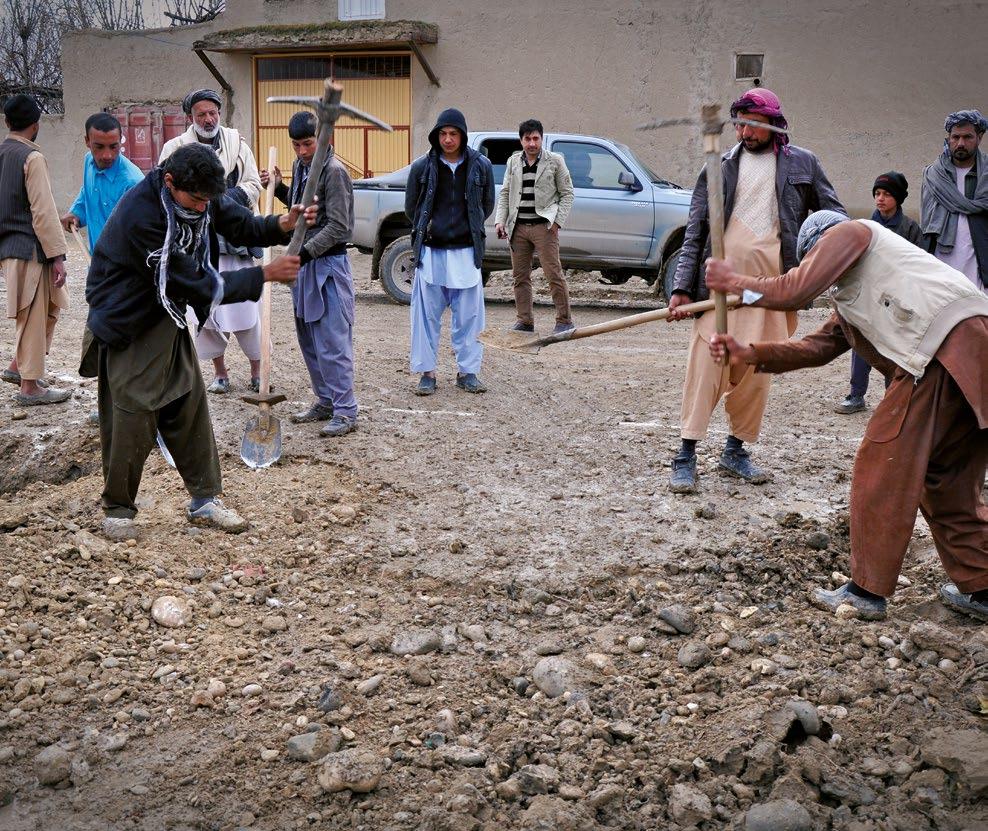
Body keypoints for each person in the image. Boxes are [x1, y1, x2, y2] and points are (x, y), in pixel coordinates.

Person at [705, 210, 988, 622]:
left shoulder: (852, 232)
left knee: (881, 465)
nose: (820, 271)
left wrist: (735, 282)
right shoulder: (854, 298)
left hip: (940, 352)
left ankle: (865, 592)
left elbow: (793, 290)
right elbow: (815, 348)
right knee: (947, 482)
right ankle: (984, 586)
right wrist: (751, 353)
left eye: (815, 261)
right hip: (970, 357)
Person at [82, 144, 310, 541]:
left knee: (187, 404)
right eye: (197, 200)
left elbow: (240, 224)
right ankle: (118, 510)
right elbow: (193, 281)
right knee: (132, 416)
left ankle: (205, 500)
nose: (204, 208)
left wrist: (281, 225)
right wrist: (264, 275)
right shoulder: (143, 216)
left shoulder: (200, 193)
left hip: (166, 316)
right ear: (170, 183)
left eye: (209, 200)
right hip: (127, 322)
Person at [666, 88, 844, 493]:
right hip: (717, 292)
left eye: (751, 123)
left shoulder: (804, 163)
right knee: (707, 365)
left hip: (772, 292)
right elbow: (695, 231)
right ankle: (685, 454)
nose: (743, 131)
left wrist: (823, 266)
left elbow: (835, 217)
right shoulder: (720, 165)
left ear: (772, 123)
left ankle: (735, 450)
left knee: (756, 371)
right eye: (739, 123)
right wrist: (680, 288)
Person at [158, 88, 265, 394]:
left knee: (246, 307)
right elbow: (165, 189)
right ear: (190, 117)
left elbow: (254, 183)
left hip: (235, 237)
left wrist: (222, 199)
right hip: (197, 240)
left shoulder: (236, 142)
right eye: (201, 114)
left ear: (219, 113)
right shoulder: (175, 148)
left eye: (212, 113)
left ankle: (258, 370)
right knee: (206, 311)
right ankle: (221, 373)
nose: (208, 119)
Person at [262, 110, 359, 438]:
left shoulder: (334, 172)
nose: (302, 151)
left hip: (328, 266)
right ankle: (326, 400)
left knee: (332, 340)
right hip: (303, 268)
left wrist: (300, 253)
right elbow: (300, 206)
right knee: (310, 340)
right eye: (296, 145)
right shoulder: (300, 166)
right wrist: (278, 189)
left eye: (307, 144)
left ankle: (346, 410)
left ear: (325, 138)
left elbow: (339, 227)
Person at [406, 108, 495, 396]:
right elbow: (412, 207)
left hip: (466, 252)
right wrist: (428, 228)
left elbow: (486, 204)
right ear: (436, 135)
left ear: (462, 135)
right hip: (431, 252)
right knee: (425, 316)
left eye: (453, 134)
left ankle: (468, 372)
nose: (447, 139)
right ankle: (427, 373)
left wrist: (468, 227)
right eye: (443, 134)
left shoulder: (480, 166)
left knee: (469, 317)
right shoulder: (423, 167)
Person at [0, 94, 71, 405]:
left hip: (9, 248)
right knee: (33, 313)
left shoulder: (2, 153)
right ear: (36, 125)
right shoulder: (32, 157)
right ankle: (30, 387)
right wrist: (58, 255)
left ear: (6, 122)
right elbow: (41, 211)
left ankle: (19, 367)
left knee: (50, 305)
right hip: (30, 249)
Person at [835, 171, 924, 414]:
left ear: (898, 198)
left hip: (897, 300)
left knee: (893, 350)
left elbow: (918, 263)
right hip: (867, 297)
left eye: (886, 194)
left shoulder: (910, 229)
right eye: (877, 194)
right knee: (861, 346)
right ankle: (856, 395)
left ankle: (891, 397)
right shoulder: (865, 227)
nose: (880, 199)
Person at [495, 118, 575, 334]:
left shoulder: (555, 161)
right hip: (517, 228)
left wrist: (557, 222)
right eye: (527, 139)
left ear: (541, 138)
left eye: (535, 138)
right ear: (521, 140)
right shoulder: (513, 162)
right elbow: (505, 193)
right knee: (520, 277)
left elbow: (567, 194)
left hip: (544, 227)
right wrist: (500, 220)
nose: (532, 143)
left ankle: (564, 321)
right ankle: (525, 321)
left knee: (553, 274)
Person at [921, 109, 988, 292]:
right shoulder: (932, 175)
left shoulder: (986, 175)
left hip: (980, 265)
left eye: (968, 137)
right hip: (940, 265)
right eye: (955, 137)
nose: (960, 143)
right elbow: (926, 222)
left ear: (979, 138)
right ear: (948, 138)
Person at [60, 112, 144, 255]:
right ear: (87, 141)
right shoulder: (89, 161)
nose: (107, 155)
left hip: (121, 268)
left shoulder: (132, 183)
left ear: (120, 141)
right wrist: (76, 213)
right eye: (99, 147)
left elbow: (140, 237)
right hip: (96, 260)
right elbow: (87, 191)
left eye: (113, 146)